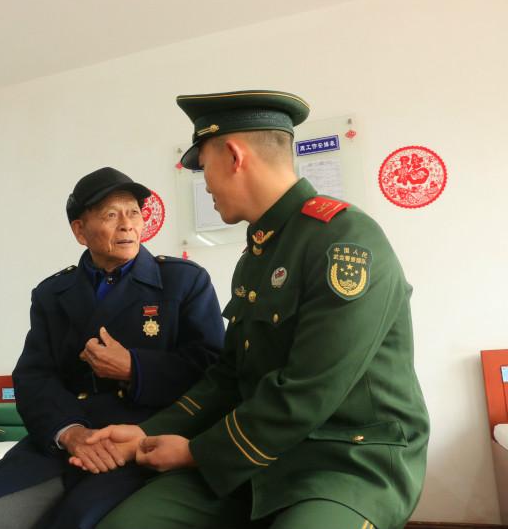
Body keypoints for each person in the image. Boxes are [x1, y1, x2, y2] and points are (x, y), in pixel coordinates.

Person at [84, 91, 430, 529]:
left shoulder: (344, 240)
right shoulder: (255, 258)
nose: (206, 184)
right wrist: (148, 431)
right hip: (251, 460)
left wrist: (196, 452)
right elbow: (230, 376)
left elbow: (310, 389)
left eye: (204, 167)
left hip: (343, 461)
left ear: (233, 156)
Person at [0, 167, 224, 529]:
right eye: (111, 215)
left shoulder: (183, 281)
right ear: (79, 230)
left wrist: (134, 368)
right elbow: (34, 376)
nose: (127, 224)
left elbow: (212, 370)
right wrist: (71, 433)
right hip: (67, 437)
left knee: (80, 520)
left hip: (140, 439)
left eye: (133, 212)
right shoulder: (52, 294)